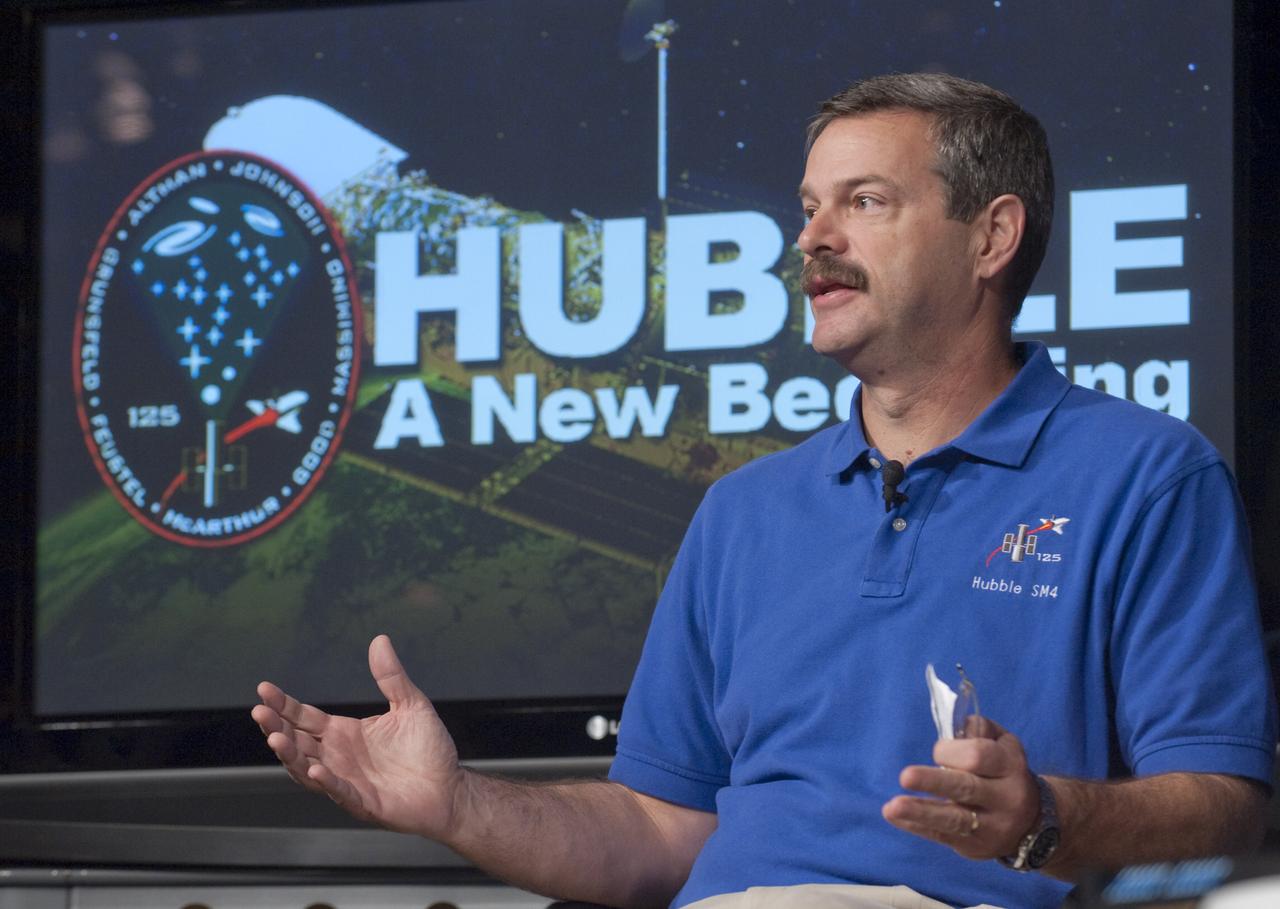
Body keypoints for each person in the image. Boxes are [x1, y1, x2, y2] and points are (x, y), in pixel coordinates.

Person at [252, 73, 1276, 909]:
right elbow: (661, 833)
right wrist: (454, 804)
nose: (810, 238)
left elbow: (1222, 800)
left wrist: (1043, 817)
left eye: (863, 202)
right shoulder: (743, 512)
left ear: (990, 238)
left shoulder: (1143, 474)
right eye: (806, 207)